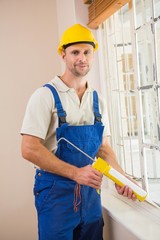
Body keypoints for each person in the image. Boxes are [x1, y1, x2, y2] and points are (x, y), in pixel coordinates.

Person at [21, 23, 136, 240]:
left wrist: (122, 178)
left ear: (93, 56)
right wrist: (76, 173)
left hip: (91, 194)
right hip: (55, 194)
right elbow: (29, 149)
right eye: (75, 52)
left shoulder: (97, 100)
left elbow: (103, 148)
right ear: (63, 55)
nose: (81, 58)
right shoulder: (45, 96)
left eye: (87, 52)